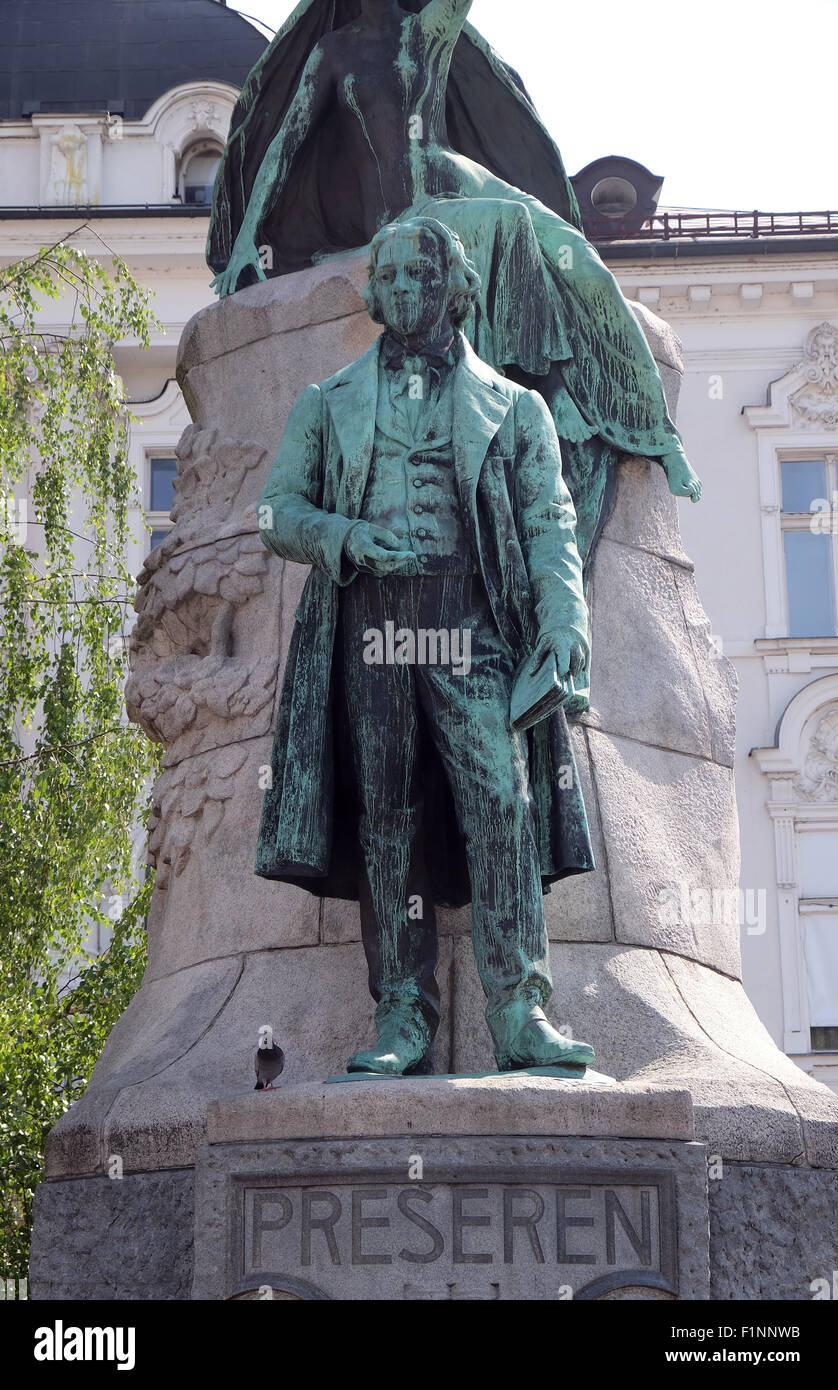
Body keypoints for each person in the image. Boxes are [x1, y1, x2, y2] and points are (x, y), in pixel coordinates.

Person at [210, 0, 701, 708]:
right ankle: (555, 390)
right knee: (507, 228)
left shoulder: (431, 34)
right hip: (405, 220)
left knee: (577, 254)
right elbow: (283, 150)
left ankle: (651, 428)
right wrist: (244, 252)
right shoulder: (337, 54)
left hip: (447, 177)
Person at [255, 217, 596, 1075]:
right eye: (392, 276)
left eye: (422, 274)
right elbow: (275, 514)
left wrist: (564, 623)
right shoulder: (325, 403)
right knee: (387, 817)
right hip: (369, 622)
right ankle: (402, 1011)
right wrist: (343, 536)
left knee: (503, 800)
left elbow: (551, 521)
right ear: (372, 291)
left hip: (468, 620)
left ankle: (520, 1010)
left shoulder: (517, 409)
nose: (405, 290)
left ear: (457, 287)